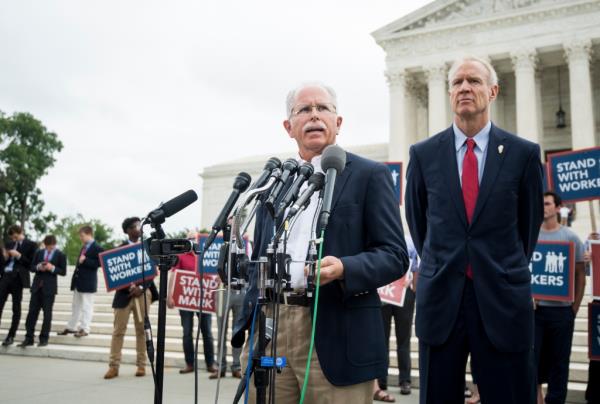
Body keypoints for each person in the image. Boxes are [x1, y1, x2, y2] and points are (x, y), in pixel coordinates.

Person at [232, 82, 408, 403]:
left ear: (338, 122)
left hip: (335, 333)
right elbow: (259, 255)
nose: (314, 115)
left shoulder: (370, 175)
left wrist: (344, 268)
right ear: (289, 127)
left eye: (323, 108)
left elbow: (395, 255)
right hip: (273, 332)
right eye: (304, 110)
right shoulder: (274, 182)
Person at [405, 56, 544, 404]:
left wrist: (501, 264)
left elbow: (529, 225)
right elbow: (417, 221)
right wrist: (442, 259)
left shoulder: (523, 154)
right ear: (450, 92)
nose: (464, 87)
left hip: (501, 297)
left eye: (474, 81)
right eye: (457, 82)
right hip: (442, 300)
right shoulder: (423, 155)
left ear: (493, 91)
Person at [535, 191, 586, 404]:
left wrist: (573, 309)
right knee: (533, 360)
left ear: (557, 208)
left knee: (559, 362)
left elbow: (580, 275)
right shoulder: (531, 236)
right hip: (536, 312)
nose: (543, 207)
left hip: (562, 312)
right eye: (541, 204)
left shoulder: (571, 237)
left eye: (547, 203)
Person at [104, 217, 158, 379]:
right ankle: (113, 366)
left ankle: (141, 365)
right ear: (128, 230)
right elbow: (114, 274)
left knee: (142, 331)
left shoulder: (146, 247)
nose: (139, 228)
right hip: (124, 295)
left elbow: (152, 270)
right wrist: (129, 286)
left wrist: (141, 287)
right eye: (135, 226)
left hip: (143, 294)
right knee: (118, 331)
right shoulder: (118, 250)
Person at [377, 233, 418, 397]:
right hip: (385, 292)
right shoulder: (381, 238)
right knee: (382, 338)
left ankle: (405, 380)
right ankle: (381, 380)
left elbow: (416, 266)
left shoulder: (410, 240)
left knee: (404, 338)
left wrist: (413, 287)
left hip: (404, 292)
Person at [167, 250, 217, 375]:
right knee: (187, 332)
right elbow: (174, 274)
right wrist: (170, 295)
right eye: (190, 239)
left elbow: (214, 276)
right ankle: (189, 364)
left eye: (194, 239)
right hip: (186, 299)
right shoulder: (181, 256)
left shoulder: (207, 255)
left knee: (207, 332)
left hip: (204, 300)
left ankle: (210, 364)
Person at [19, 235, 67, 347]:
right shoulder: (39, 253)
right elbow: (31, 268)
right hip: (36, 287)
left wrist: (52, 268)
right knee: (31, 313)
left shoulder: (60, 255)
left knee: (47, 314)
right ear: (45, 245)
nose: (50, 249)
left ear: (55, 245)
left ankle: (44, 339)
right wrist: (38, 267)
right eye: (48, 247)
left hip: (49, 289)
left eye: (52, 247)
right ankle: (29, 338)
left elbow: (63, 272)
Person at [58, 225, 103, 337]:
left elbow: (101, 264)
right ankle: (71, 327)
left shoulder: (97, 247)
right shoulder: (84, 247)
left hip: (88, 282)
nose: (81, 238)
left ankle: (85, 328)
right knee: (76, 306)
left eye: (82, 236)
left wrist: (86, 260)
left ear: (89, 234)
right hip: (79, 282)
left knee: (87, 306)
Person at [0, 225, 37, 346]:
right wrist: (4, 257)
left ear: (20, 232)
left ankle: (11, 336)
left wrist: (18, 255)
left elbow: (31, 264)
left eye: (15, 236)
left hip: (18, 279)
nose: (13, 239)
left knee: (16, 308)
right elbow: (3, 262)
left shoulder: (31, 244)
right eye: (12, 237)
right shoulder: (9, 244)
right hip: (5, 276)